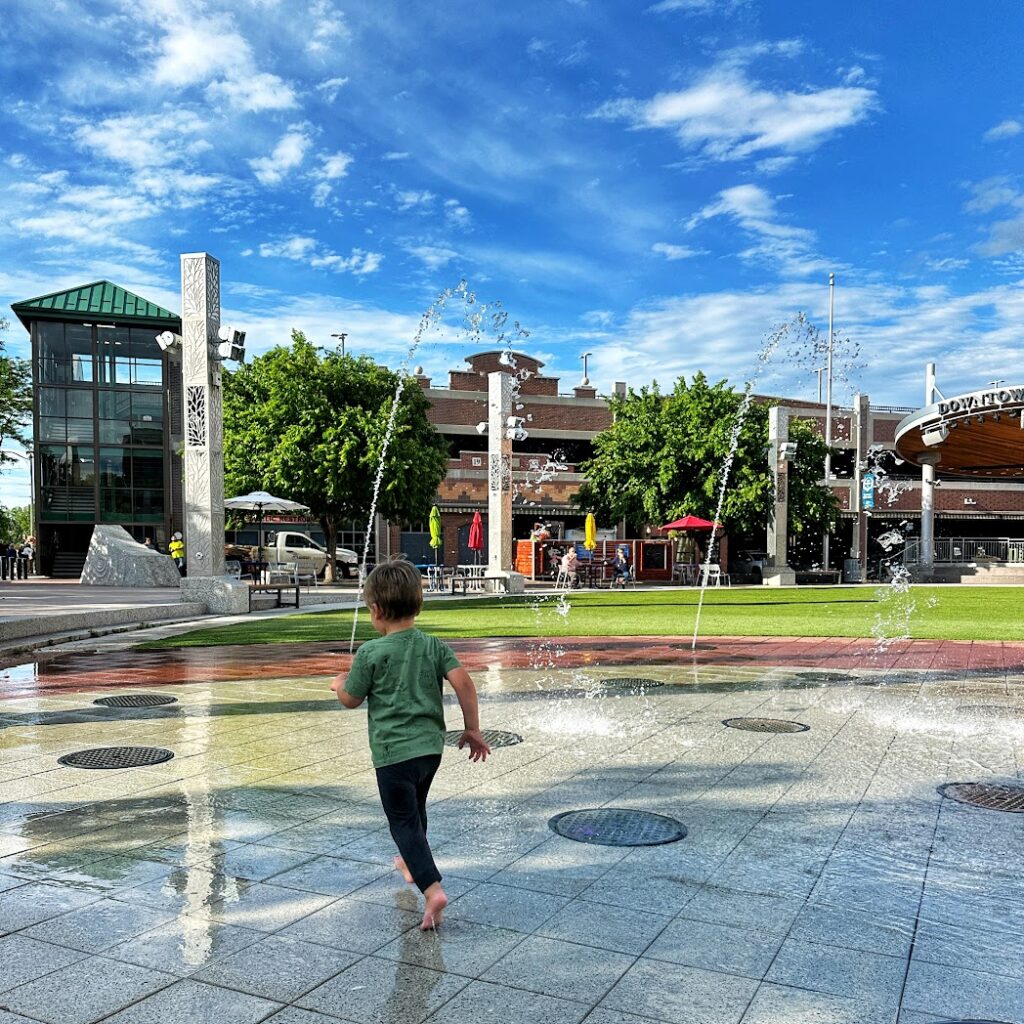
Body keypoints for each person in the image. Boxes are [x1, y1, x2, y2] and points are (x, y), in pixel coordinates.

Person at [330, 557, 491, 930]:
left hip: (392, 754)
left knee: (401, 820)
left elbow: (352, 699)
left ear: (376, 610)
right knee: (416, 811)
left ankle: (432, 888)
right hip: (429, 750)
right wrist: (472, 729)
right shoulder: (433, 645)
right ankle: (409, 861)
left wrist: (339, 684)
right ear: (418, 603)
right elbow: (464, 683)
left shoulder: (372, 653)